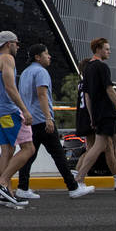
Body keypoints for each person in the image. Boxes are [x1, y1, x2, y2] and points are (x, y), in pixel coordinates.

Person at [15, 44, 93, 200]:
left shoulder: (25, 73)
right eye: (46, 53)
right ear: (38, 57)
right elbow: (42, 95)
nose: (49, 56)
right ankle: (73, 187)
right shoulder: (41, 72)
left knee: (29, 155)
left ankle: (22, 187)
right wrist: (48, 118)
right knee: (59, 155)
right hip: (43, 120)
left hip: (29, 120)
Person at [69, 38, 116, 192]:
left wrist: (92, 116)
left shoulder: (88, 69)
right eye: (106, 49)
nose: (109, 52)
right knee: (100, 146)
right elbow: (110, 90)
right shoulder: (101, 67)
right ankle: (79, 178)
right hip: (106, 111)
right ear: (98, 49)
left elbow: (87, 96)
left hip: (97, 113)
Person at [0, 31, 36, 208]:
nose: (18, 47)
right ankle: (2, 181)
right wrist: (25, 110)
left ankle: (6, 194)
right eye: (17, 43)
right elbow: (10, 88)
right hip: (9, 111)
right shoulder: (7, 59)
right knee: (28, 148)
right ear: (8, 44)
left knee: (7, 150)